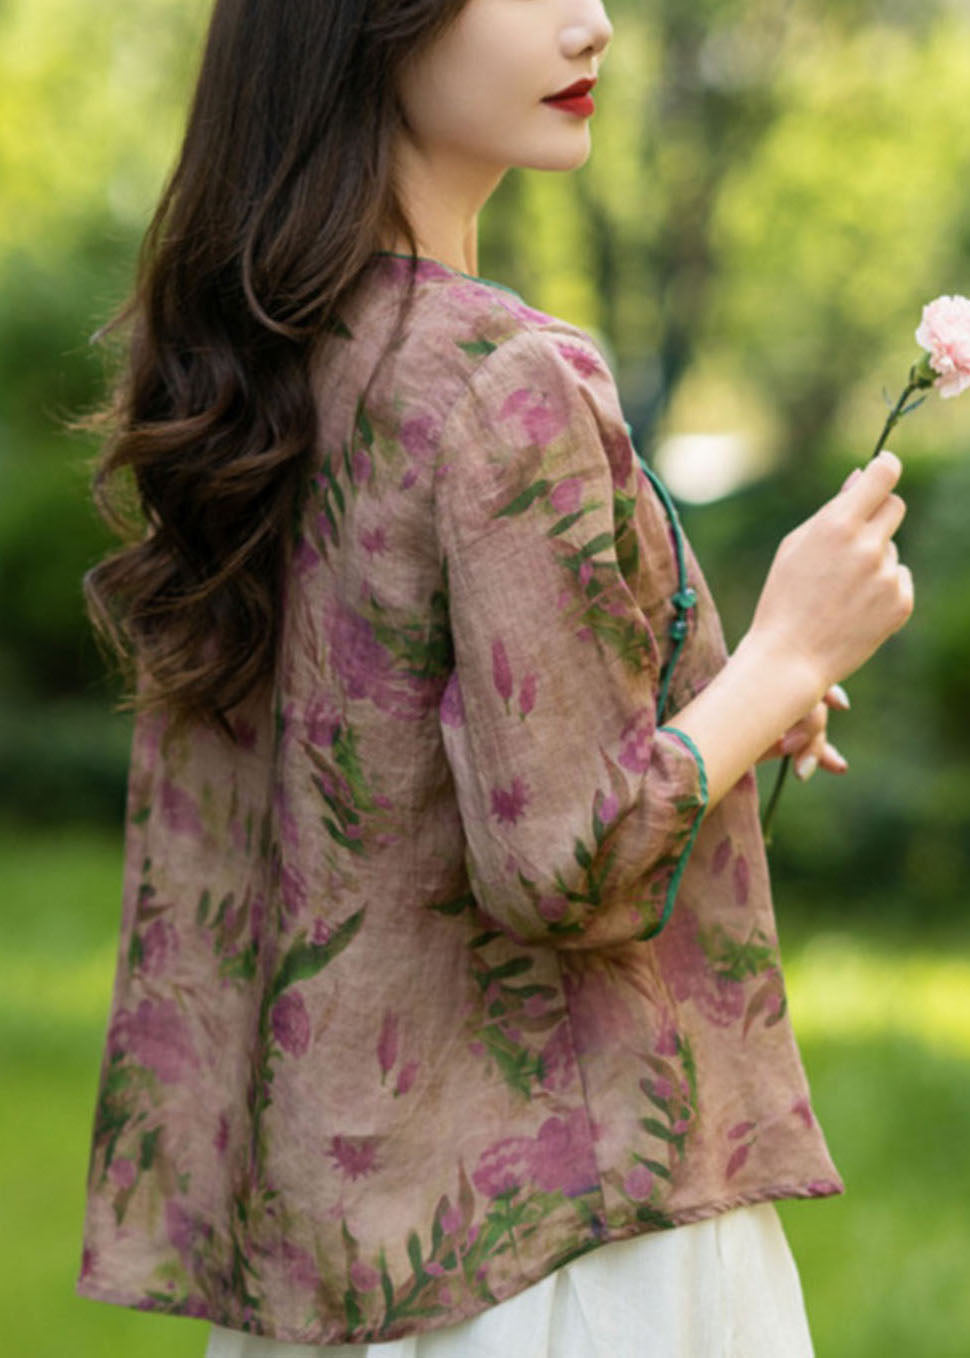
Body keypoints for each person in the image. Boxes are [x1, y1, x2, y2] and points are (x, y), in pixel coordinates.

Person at [73, 0, 914, 1354]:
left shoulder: (277, 364)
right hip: (558, 1259)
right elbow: (570, 863)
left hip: (335, 1264)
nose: (591, 24)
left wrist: (716, 696)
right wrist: (787, 650)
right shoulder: (500, 375)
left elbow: (395, 752)